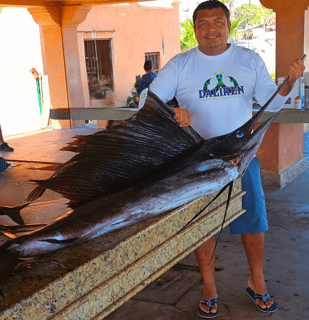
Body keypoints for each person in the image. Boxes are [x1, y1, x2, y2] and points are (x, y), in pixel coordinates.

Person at [148, 0, 305, 318]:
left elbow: (270, 105)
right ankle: (209, 288)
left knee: (254, 224)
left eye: (217, 21)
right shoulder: (181, 64)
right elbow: (145, 101)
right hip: (198, 162)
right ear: (195, 30)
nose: (211, 29)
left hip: (241, 160)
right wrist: (170, 111)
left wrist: (288, 82)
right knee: (205, 229)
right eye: (203, 23)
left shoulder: (248, 59)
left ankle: (257, 282)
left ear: (228, 25)